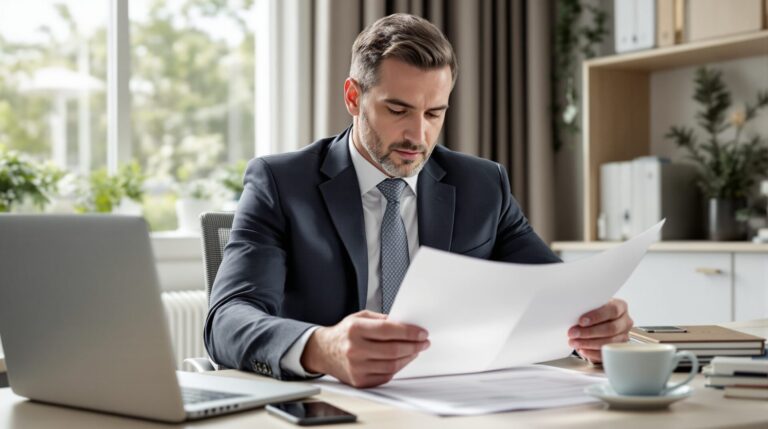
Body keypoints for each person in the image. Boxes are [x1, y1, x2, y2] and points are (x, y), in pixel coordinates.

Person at [204, 13, 633, 388]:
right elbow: (227, 321)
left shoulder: (483, 186)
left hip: (455, 405)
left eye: (434, 114)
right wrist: (321, 347)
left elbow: (554, 299)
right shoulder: (281, 183)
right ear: (354, 98)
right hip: (333, 407)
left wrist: (593, 331)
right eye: (397, 110)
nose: (418, 136)